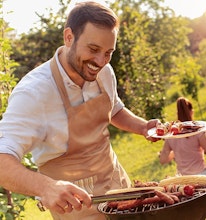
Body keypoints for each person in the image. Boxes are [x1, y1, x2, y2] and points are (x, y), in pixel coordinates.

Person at [0, 2, 159, 219]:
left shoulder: (104, 73)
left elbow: (114, 109)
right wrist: (46, 188)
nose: (100, 61)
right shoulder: (34, 93)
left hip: (119, 187)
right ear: (68, 37)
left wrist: (143, 127)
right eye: (93, 50)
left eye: (108, 53)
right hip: (76, 206)